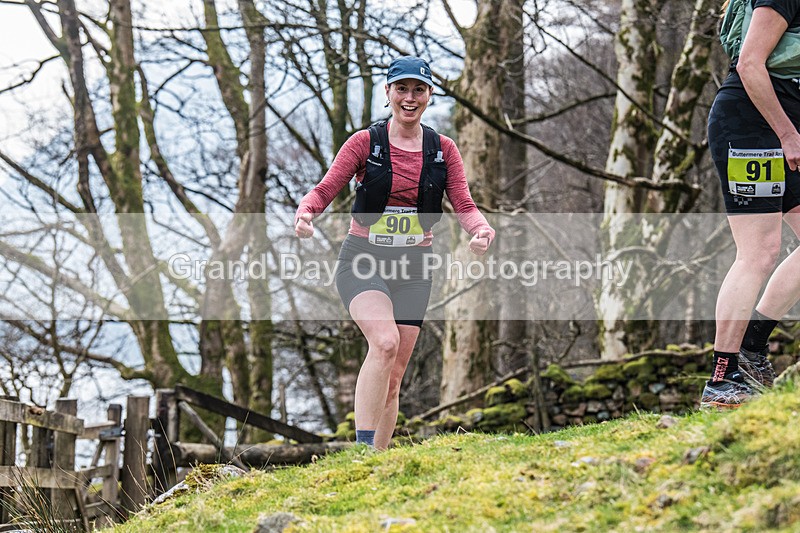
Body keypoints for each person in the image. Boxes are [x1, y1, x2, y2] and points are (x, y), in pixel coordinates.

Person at [294, 56, 495, 447]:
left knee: (395, 373)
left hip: (414, 267)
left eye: (418, 90)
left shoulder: (444, 149)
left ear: (429, 95)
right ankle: (362, 450)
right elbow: (324, 189)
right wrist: (306, 214)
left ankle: (379, 462)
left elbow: (465, 204)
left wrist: (481, 230)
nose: (409, 98)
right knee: (384, 342)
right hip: (363, 260)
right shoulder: (365, 143)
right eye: (401, 89)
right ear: (388, 92)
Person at [702, 0, 800, 408]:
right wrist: (787, 135)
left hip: (786, 125)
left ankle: (752, 346)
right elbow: (750, 64)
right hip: (752, 125)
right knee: (759, 251)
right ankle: (721, 379)